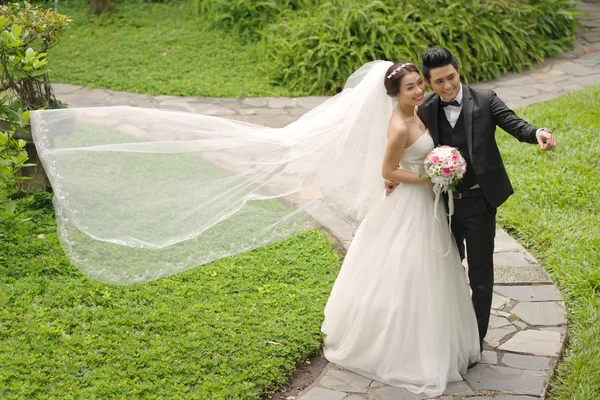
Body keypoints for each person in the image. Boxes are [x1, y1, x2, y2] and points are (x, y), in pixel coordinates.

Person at [321, 62, 480, 397]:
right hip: (410, 203)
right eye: (410, 88)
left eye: (419, 84)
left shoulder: (419, 112)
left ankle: (437, 341)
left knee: (433, 269)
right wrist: (428, 176)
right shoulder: (398, 125)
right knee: (409, 267)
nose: (419, 90)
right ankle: (400, 346)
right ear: (395, 94)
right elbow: (388, 170)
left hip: (427, 202)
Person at [385, 47, 557, 354]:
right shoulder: (425, 108)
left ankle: (474, 341)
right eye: (438, 82)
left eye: (451, 77)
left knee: (480, 275)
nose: (447, 86)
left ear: (459, 70)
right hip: (438, 205)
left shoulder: (485, 99)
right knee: (443, 270)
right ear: (428, 83)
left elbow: (515, 124)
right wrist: (393, 174)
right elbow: (404, 143)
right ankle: (444, 334)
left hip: (479, 202)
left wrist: (538, 132)